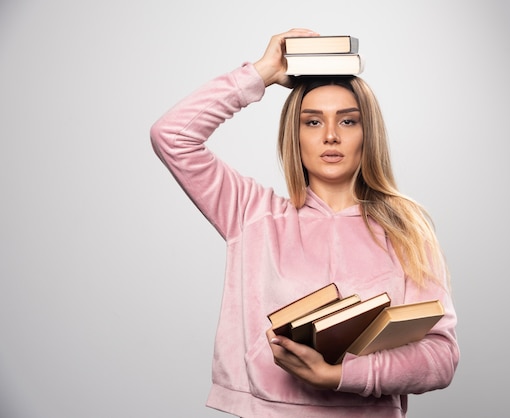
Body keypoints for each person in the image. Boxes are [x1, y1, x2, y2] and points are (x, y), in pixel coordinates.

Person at [151, 28, 459, 418]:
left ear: (368, 134)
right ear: (293, 136)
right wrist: (260, 73)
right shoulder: (252, 213)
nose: (330, 136)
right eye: (313, 122)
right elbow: (172, 136)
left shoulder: (405, 229)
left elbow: (441, 355)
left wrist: (341, 375)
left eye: (347, 122)